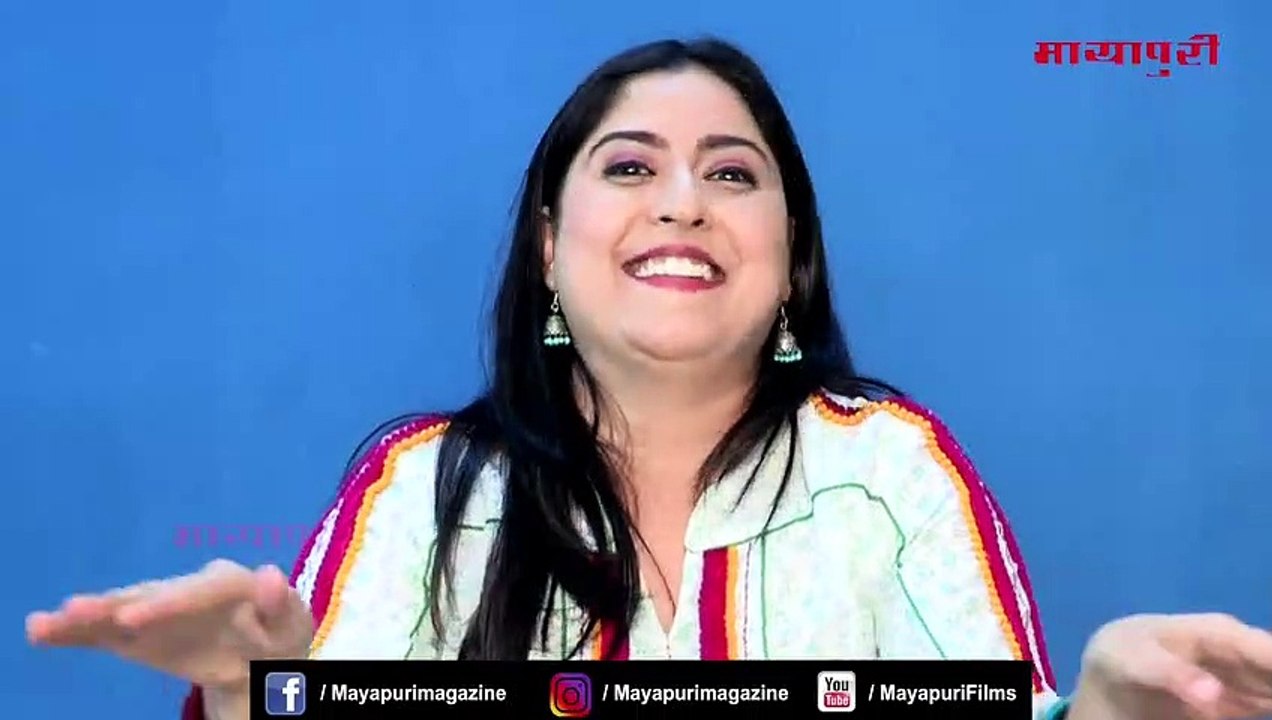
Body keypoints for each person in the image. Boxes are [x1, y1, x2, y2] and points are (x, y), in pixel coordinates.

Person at [24, 37, 1272, 720]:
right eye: (629, 167)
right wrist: (255, 695)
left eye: (732, 174)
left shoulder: (894, 471)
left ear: (789, 259)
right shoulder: (420, 488)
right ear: (547, 248)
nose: (682, 202)